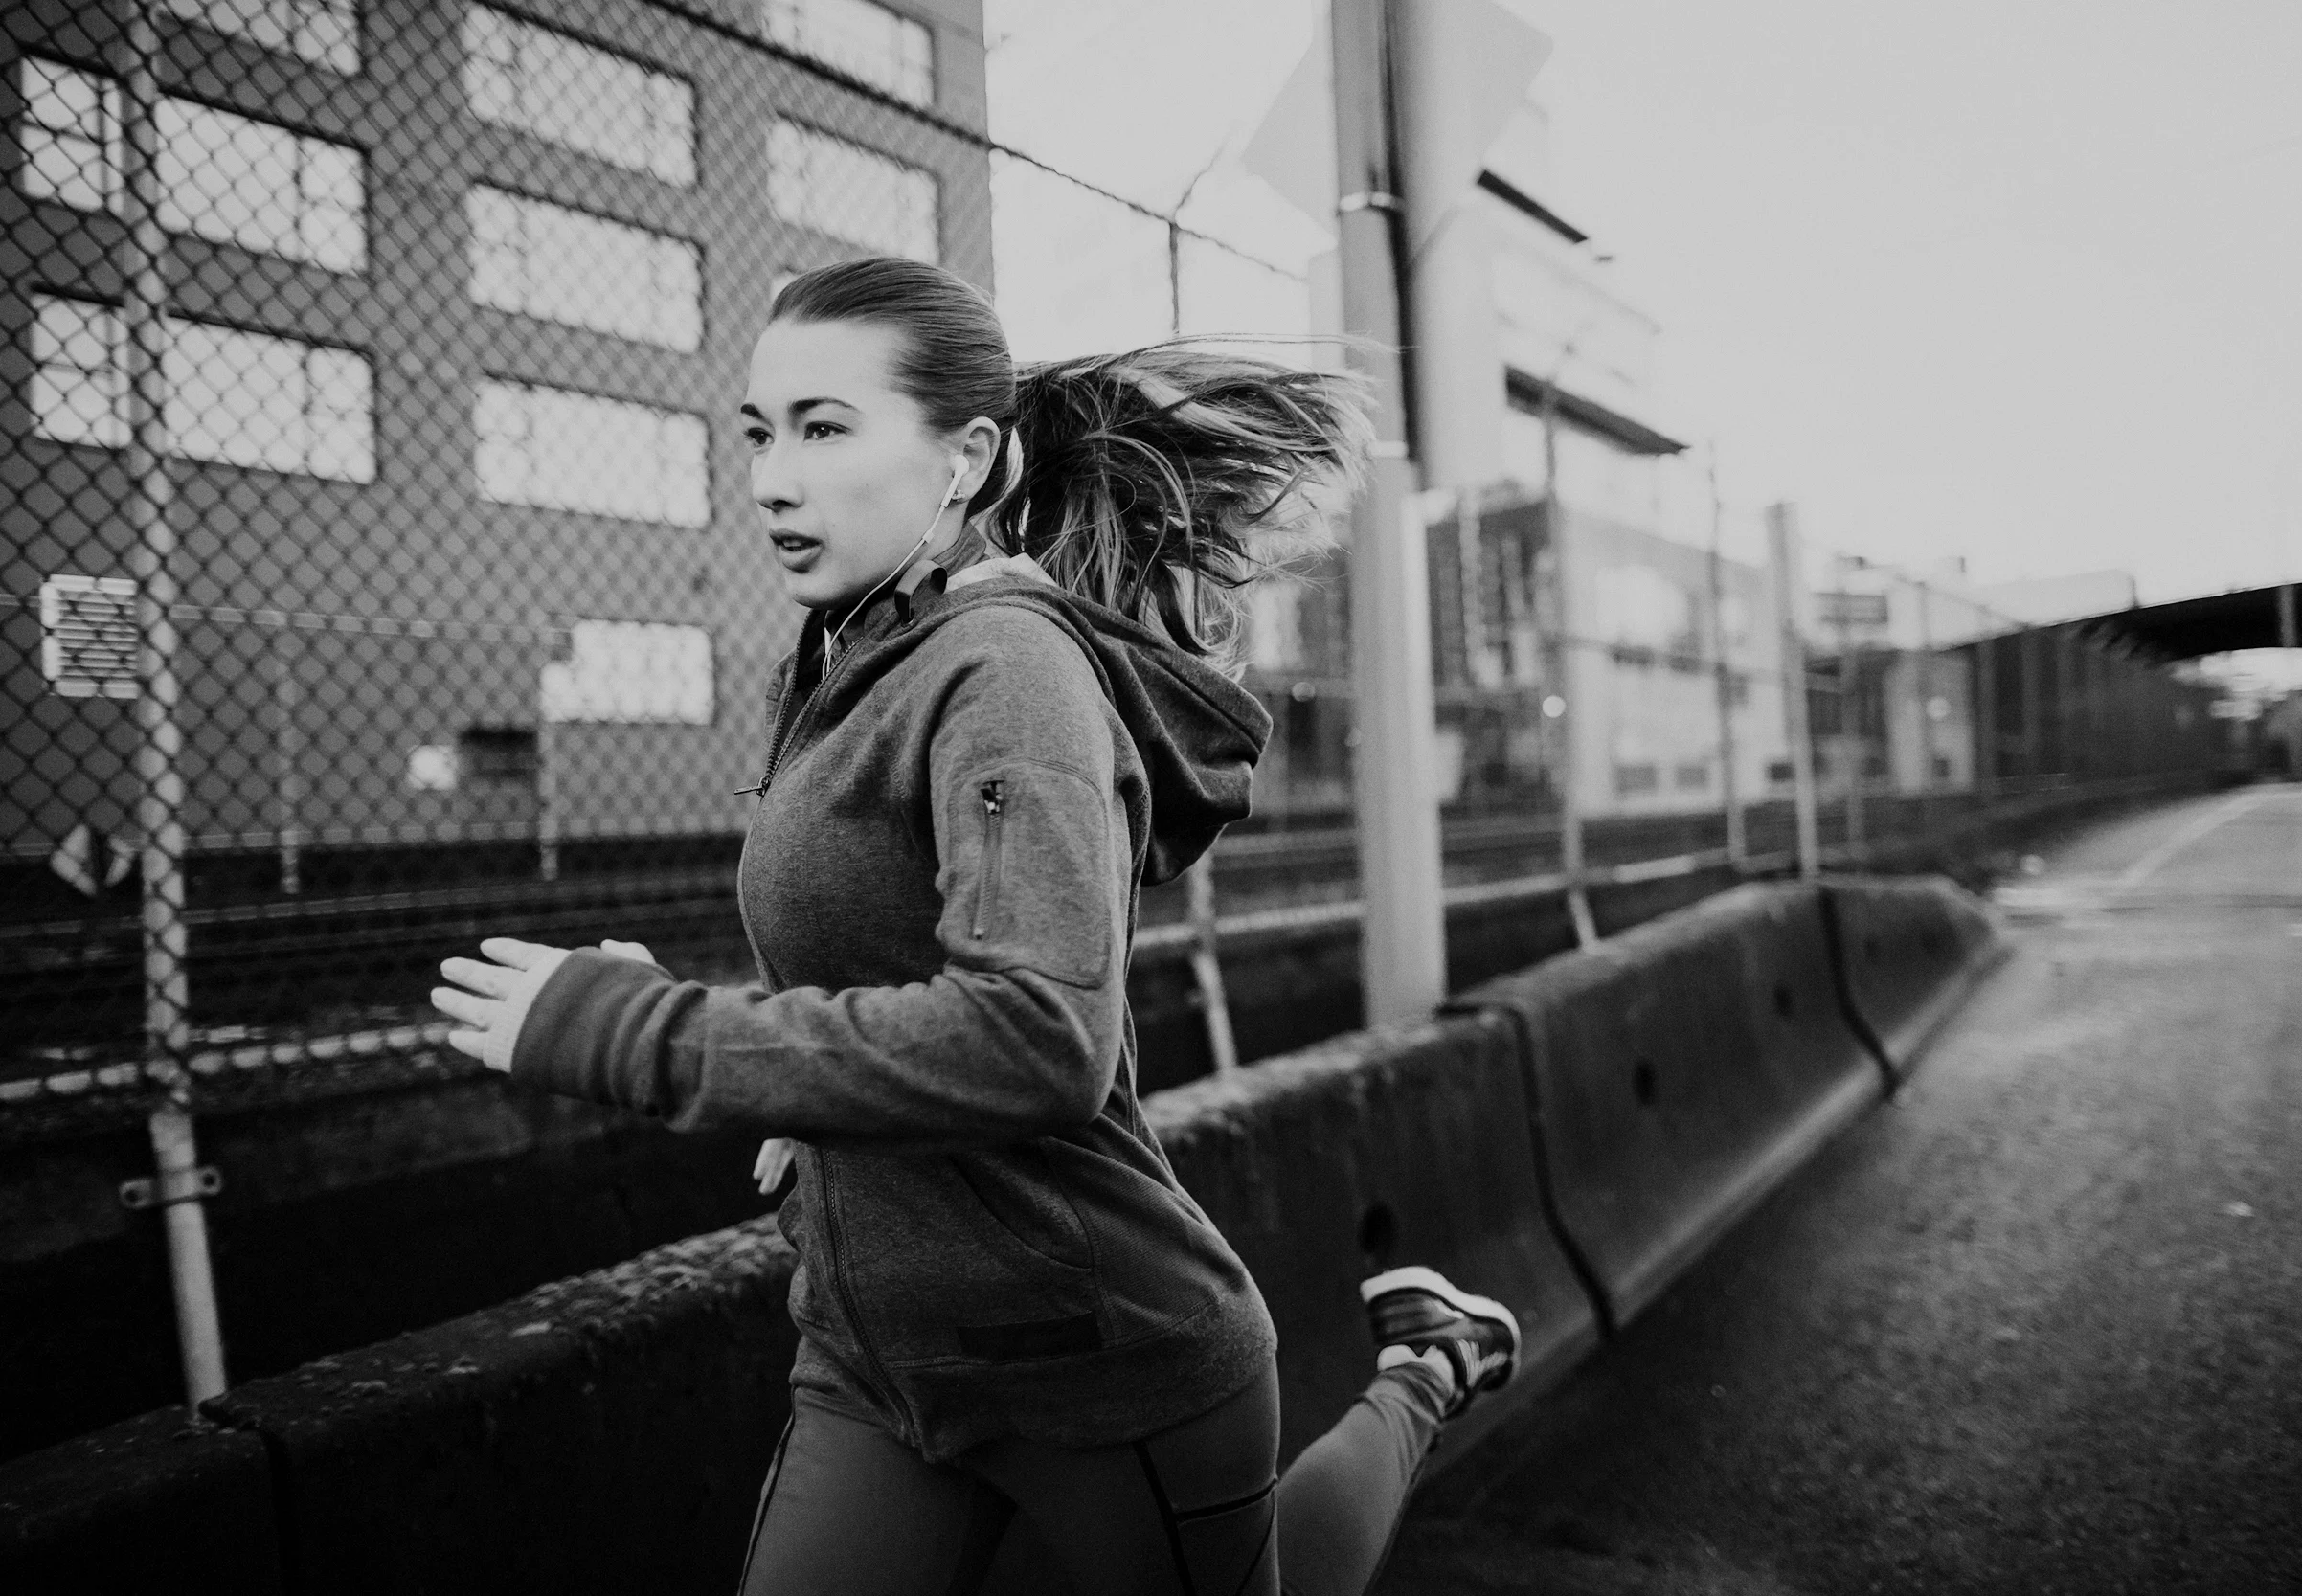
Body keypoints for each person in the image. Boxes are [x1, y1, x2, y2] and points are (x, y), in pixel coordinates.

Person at [430, 257, 1520, 1596]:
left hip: (1091, 1359)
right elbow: (885, 965)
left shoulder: (1007, 670)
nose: (773, 478)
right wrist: (794, 1079)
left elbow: (1037, 1035)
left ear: (967, 460)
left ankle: (1427, 1367)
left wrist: (641, 1033)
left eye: (826, 428)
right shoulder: (844, 660)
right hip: (876, 1354)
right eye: (761, 433)